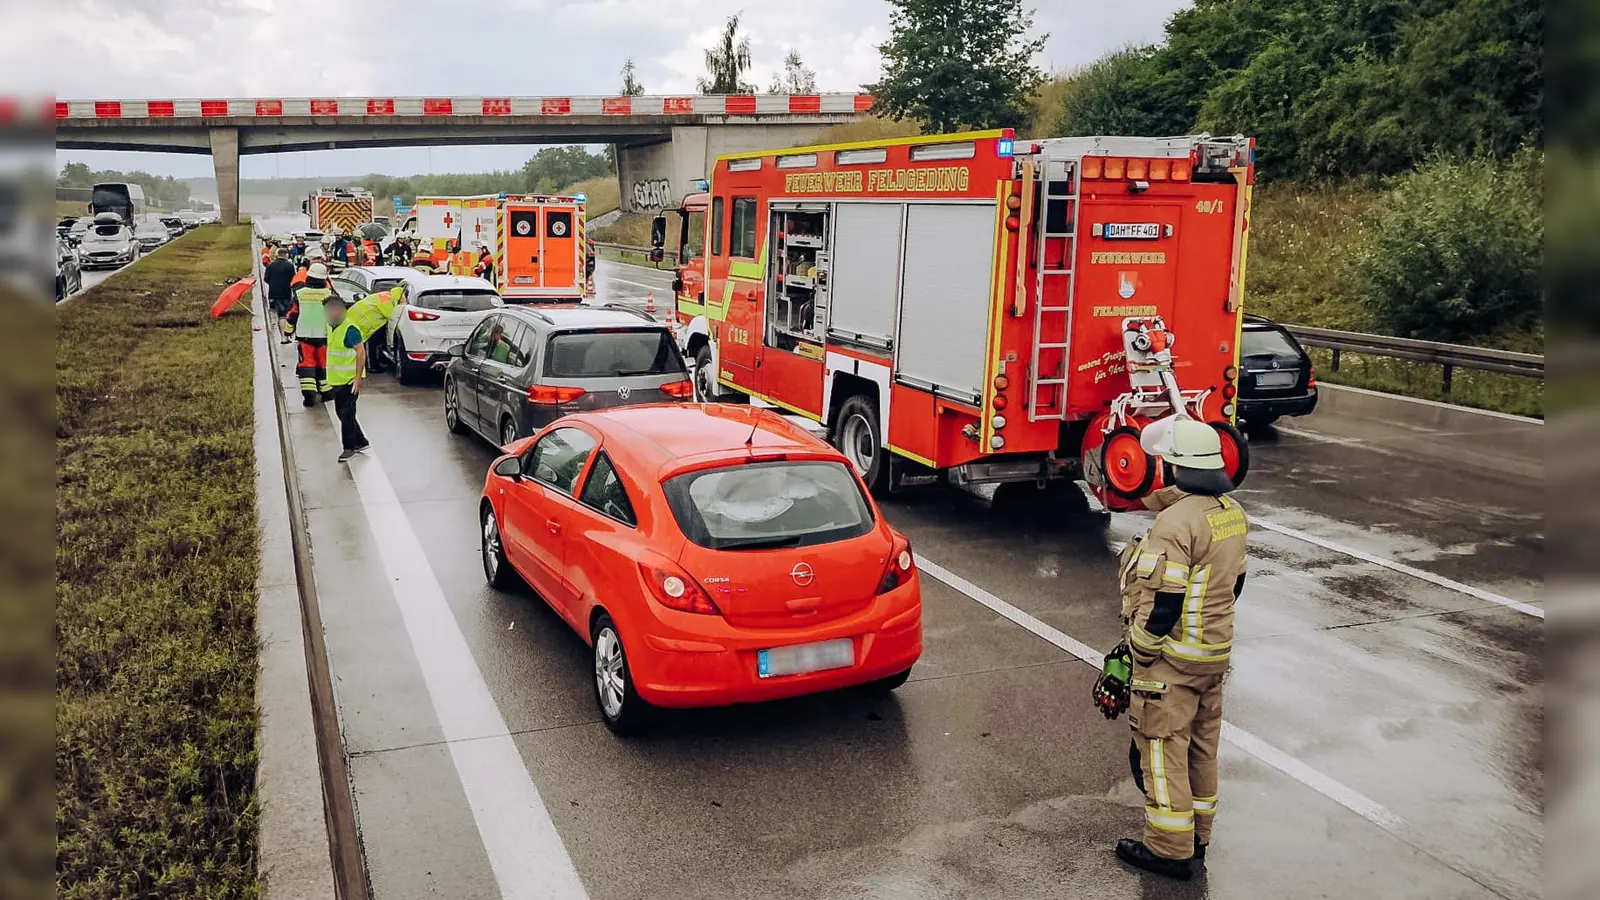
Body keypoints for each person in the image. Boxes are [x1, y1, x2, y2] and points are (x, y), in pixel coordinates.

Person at [1113, 417, 1248, 881]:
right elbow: (1237, 583)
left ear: (1175, 466)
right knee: (1202, 749)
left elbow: (1164, 600)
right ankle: (1199, 837)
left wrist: (1141, 653)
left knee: (1162, 748)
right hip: (1214, 655)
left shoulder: (1175, 523)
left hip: (1175, 659)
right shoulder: (1230, 512)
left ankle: (1168, 849)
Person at [324, 296, 369, 461]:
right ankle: (361, 441)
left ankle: (348, 447)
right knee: (341, 412)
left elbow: (361, 352)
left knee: (347, 413)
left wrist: (358, 378)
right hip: (337, 379)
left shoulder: (350, 329)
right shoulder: (331, 326)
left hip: (349, 381)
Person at [287, 262, 335, 406]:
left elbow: (293, 314)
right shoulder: (329, 294)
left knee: (307, 363)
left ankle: (309, 395)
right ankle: (327, 393)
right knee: (323, 363)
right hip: (324, 335)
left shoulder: (300, 294)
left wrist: (288, 331)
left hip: (304, 335)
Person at [263, 248, 297, 344]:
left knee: (278, 315)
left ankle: (281, 335)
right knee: (284, 315)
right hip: (285, 294)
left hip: (273, 293)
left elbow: (266, 279)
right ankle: (285, 337)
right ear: (286, 255)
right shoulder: (289, 266)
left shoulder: (271, 266)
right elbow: (293, 280)